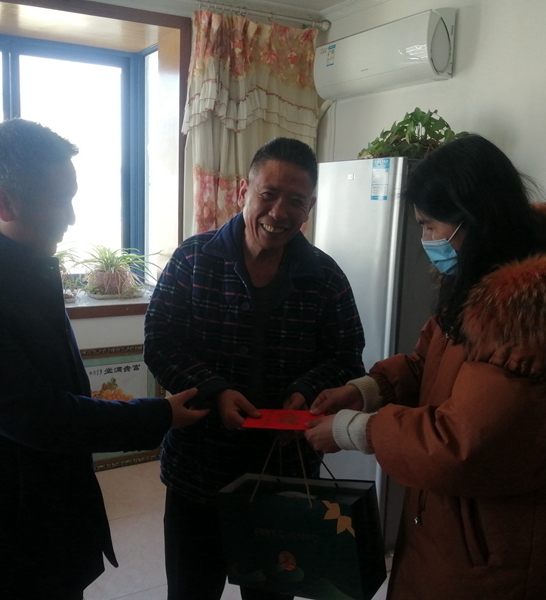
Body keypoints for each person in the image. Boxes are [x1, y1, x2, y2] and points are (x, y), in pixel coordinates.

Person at [304, 134, 546, 600]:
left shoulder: (536, 321)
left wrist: (355, 430)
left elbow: (463, 445)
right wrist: (367, 389)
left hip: (502, 558)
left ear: (473, 218)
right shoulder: (480, 282)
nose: (426, 241)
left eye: (430, 225)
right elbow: (429, 363)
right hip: (456, 534)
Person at [0, 119, 207, 600]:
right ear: (4, 203)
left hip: (45, 528)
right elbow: (38, 415)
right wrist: (159, 415)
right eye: (60, 200)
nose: (71, 217)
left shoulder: (15, 264)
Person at [144, 137, 365, 600]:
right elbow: (161, 342)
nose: (279, 212)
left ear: (309, 208)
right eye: (269, 194)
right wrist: (215, 390)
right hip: (198, 466)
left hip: (284, 472)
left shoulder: (325, 277)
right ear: (244, 191)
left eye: (296, 201)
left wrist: (307, 390)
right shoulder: (193, 260)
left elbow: (346, 356)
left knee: (273, 589)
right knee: (190, 591)